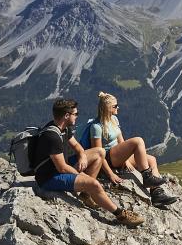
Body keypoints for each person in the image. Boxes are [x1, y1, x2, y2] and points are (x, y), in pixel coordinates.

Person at [33, 97, 144, 227]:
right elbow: (62, 168)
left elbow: (77, 146)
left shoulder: (63, 128)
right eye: (75, 114)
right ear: (66, 115)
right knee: (95, 185)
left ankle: (86, 194)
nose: (77, 117)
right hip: (49, 177)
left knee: (100, 152)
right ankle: (121, 215)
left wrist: (82, 156)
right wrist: (84, 177)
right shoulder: (52, 136)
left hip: (62, 167)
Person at [86, 91, 177, 207]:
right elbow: (98, 153)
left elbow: (121, 141)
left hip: (118, 155)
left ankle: (157, 194)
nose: (118, 107)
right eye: (115, 106)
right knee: (138, 141)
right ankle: (147, 177)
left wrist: (126, 159)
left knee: (152, 160)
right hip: (109, 158)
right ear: (107, 108)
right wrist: (110, 174)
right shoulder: (96, 127)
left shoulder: (114, 119)